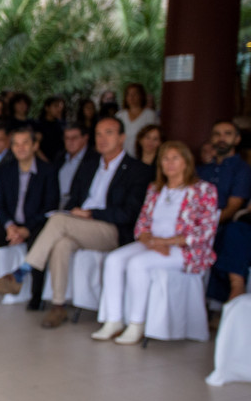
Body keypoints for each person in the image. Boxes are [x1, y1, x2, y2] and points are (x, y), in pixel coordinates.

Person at [0, 117, 154, 328]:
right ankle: (58, 307)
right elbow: (74, 199)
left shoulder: (137, 170)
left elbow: (129, 213)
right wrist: (75, 213)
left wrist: (91, 213)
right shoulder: (90, 166)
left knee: (58, 221)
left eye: (109, 133)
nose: (102, 139)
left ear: (122, 137)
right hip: (80, 225)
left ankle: (20, 274)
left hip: (112, 230)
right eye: (99, 134)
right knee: (61, 242)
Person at [93, 141, 218, 344]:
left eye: (175, 158)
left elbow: (205, 230)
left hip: (185, 249)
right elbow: (141, 223)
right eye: (165, 159)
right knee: (114, 260)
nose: (169, 163)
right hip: (152, 243)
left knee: (138, 264)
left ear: (186, 162)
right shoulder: (155, 189)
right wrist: (152, 242)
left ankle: (137, 324)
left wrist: (168, 241)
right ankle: (113, 320)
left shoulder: (204, 190)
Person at [0, 127, 59, 307]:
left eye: (25, 143)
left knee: (37, 243)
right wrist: (9, 226)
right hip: (11, 224)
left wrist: (27, 229)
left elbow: (50, 207)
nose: (20, 148)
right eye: (16, 144)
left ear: (35, 146)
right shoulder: (6, 170)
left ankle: (36, 297)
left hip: (36, 224)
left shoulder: (48, 171)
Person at [196, 120, 251, 226]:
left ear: (237, 139)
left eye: (228, 134)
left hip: (223, 227)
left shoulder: (242, 169)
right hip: (193, 223)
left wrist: (206, 225)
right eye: (217, 134)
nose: (221, 138)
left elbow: (232, 209)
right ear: (211, 139)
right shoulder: (203, 169)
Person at [54, 123, 96, 210]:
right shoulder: (60, 157)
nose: (70, 142)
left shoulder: (94, 160)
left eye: (74, 138)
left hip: (77, 206)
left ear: (85, 138)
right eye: (67, 138)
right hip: (56, 201)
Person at [115, 82, 157, 157]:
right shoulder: (120, 115)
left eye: (135, 94)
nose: (132, 97)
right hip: (122, 155)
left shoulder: (150, 115)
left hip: (142, 156)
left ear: (141, 96)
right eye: (129, 94)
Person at [35, 96, 66, 162]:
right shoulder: (38, 125)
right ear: (47, 108)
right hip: (42, 162)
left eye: (60, 107)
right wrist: (46, 162)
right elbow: (35, 146)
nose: (59, 109)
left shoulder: (62, 125)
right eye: (55, 106)